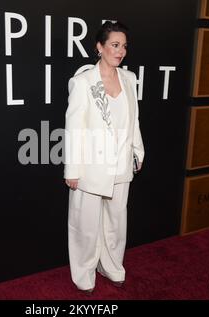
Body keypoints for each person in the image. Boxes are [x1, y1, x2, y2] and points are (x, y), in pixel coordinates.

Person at [64, 21, 145, 295]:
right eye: (114, 45)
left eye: (123, 46)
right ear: (99, 47)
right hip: (90, 166)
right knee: (85, 226)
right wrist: (72, 169)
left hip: (121, 164)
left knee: (116, 222)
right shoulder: (83, 82)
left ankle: (111, 267)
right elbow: (74, 128)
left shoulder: (130, 79)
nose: (120, 51)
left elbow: (134, 120)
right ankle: (84, 273)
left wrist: (137, 150)